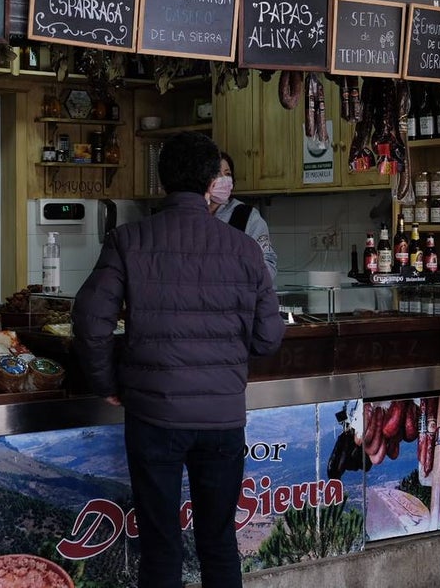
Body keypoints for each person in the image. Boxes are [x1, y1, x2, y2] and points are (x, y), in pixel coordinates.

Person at [72, 131, 284, 588]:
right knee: (219, 542)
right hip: (223, 421)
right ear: (213, 182)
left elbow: (91, 322)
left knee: (160, 545)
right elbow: (269, 337)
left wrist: (107, 381)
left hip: (153, 417)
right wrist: (224, 358)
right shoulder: (244, 249)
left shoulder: (128, 240)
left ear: (163, 180)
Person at [209, 151, 278, 280]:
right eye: (217, 174)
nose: (223, 179)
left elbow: (268, 264)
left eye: (227, 174)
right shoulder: (191, 215)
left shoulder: (247, 217)